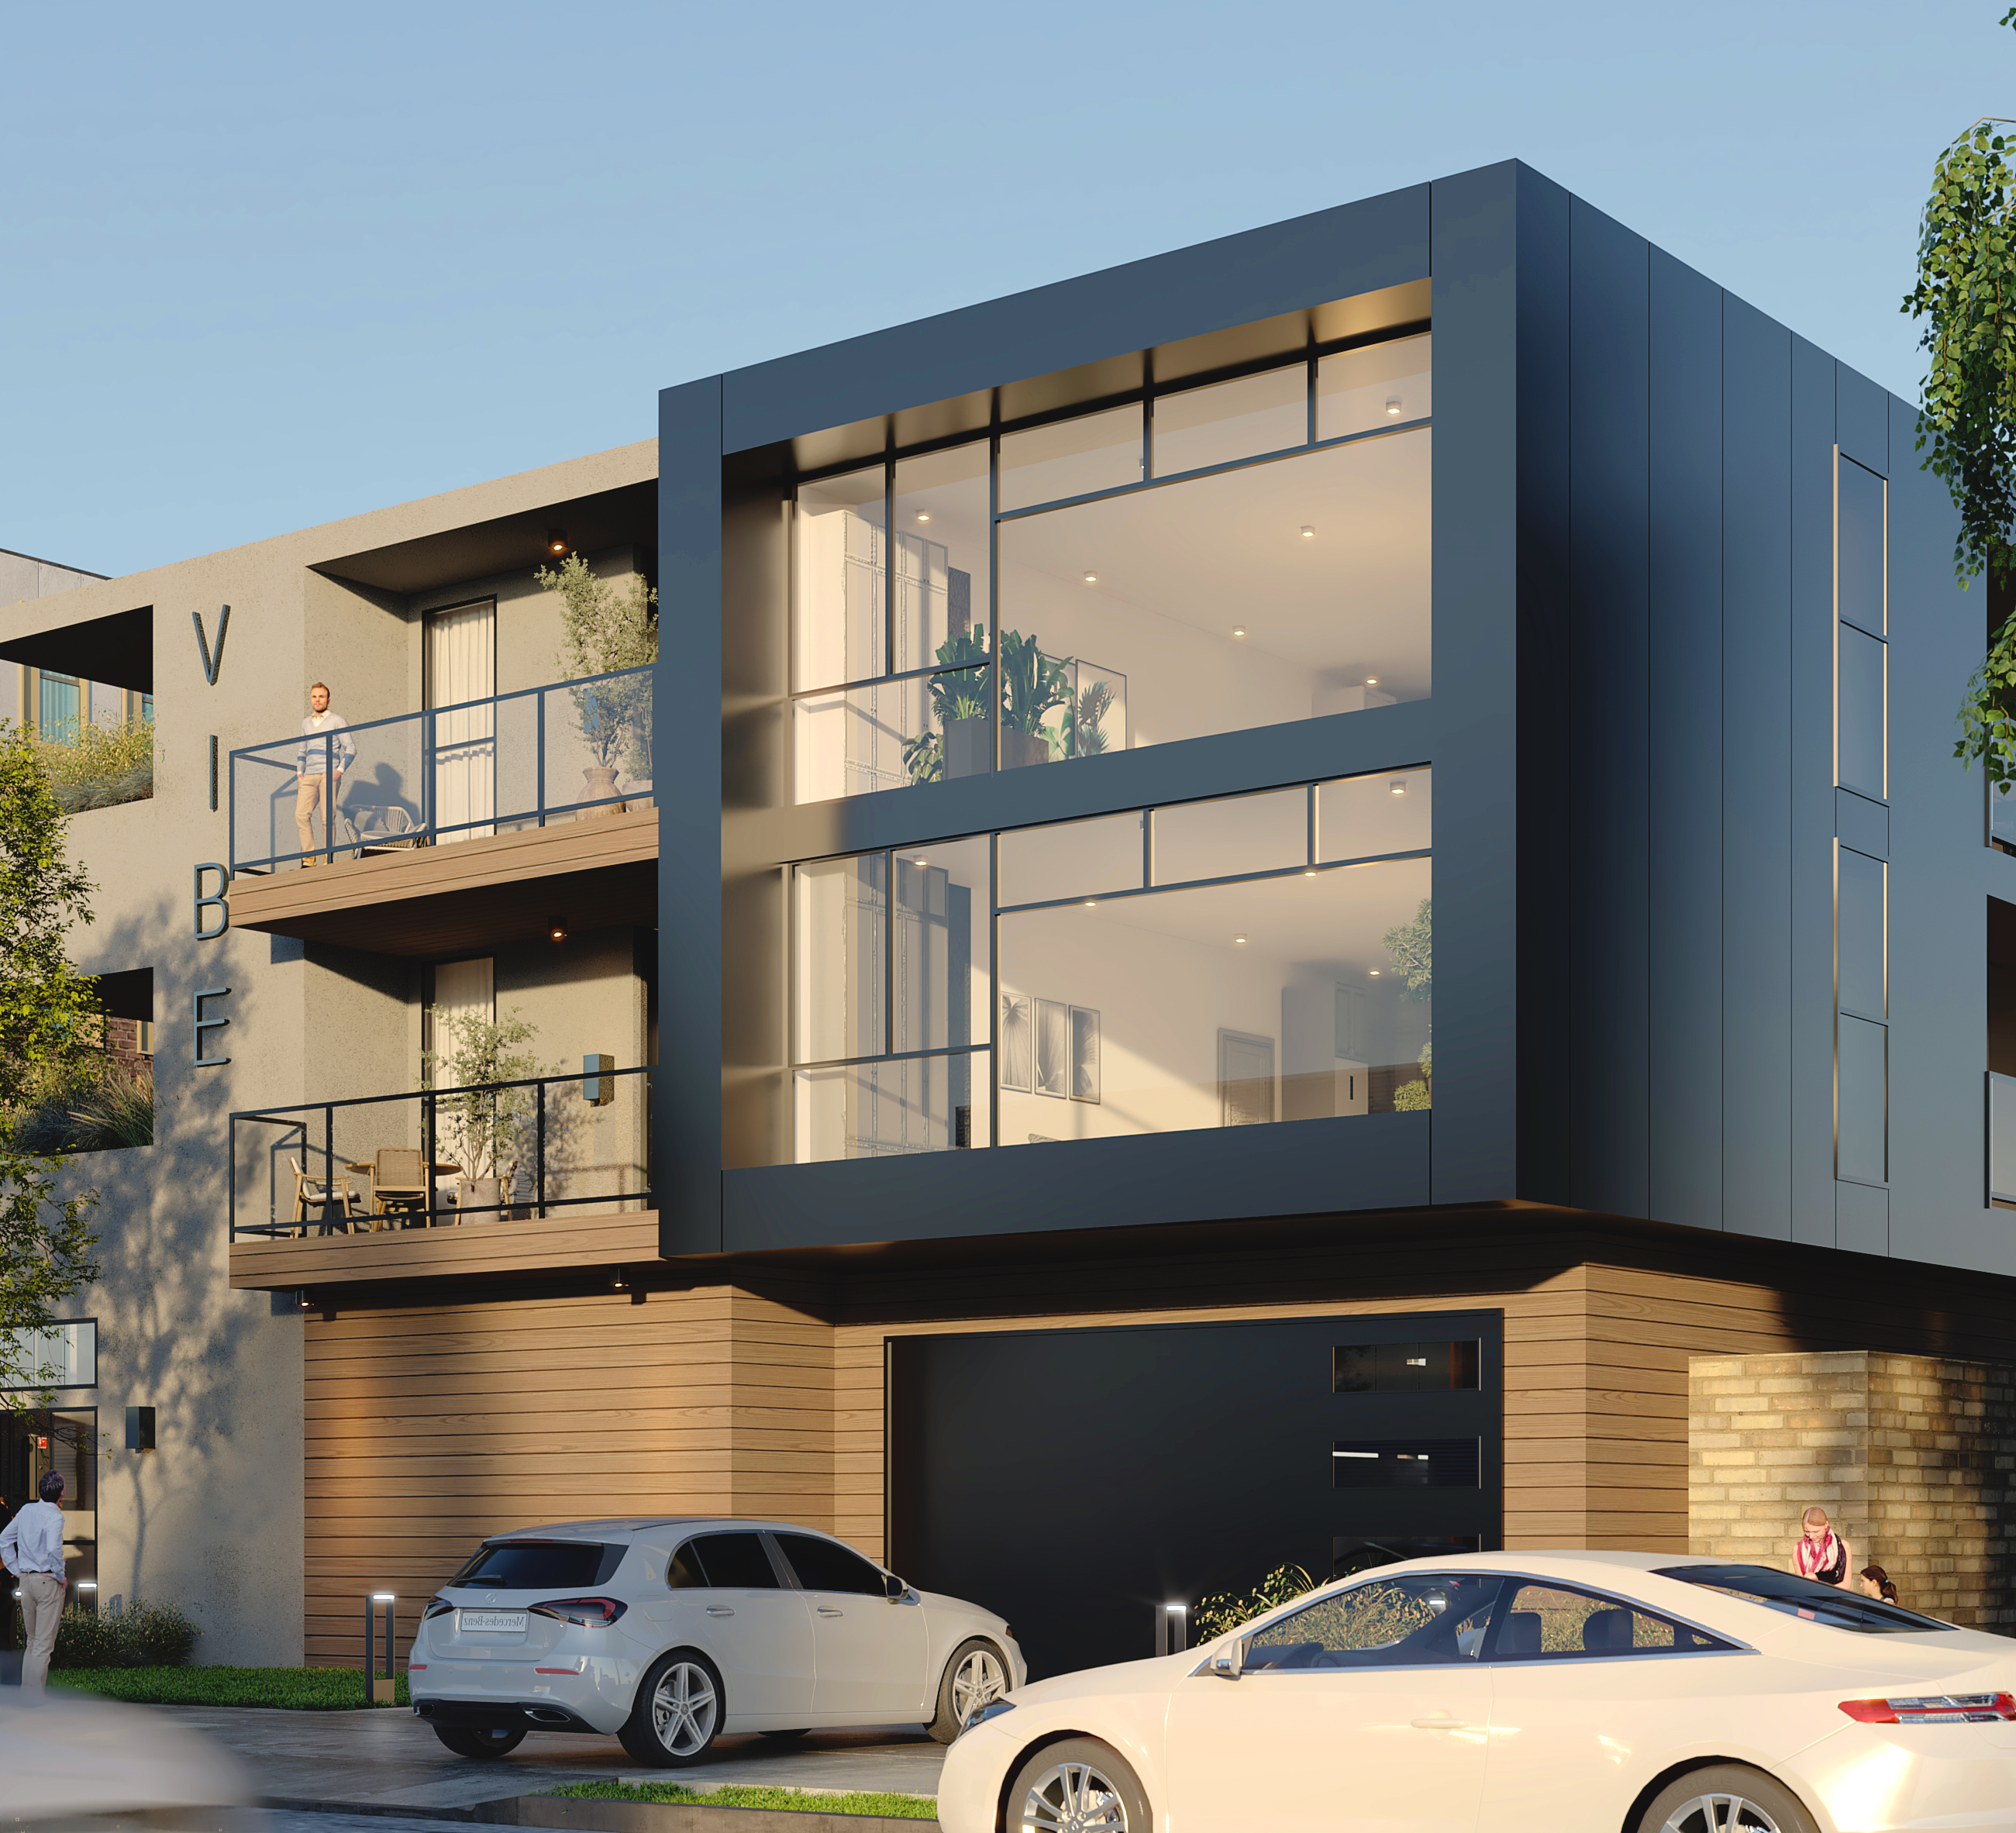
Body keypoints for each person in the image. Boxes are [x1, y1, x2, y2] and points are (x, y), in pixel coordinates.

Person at [0, 1472, 68, 1692]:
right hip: (47, 1582)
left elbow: (4, 1539)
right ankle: (34, 1697)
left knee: (32, 1641)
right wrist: (60, 1576)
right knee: (43, 1644)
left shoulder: (27, 1510)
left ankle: (27, 1695)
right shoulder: (55, 1517)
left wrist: (17, 1570)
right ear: (62, 1493)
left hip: (27, 1581)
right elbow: (53, 1550)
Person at [292, 681, 355, 865]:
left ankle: (328, 860)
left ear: (328, 699)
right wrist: (299, 772)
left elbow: (351, 748)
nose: (317, 700)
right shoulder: (306, 723)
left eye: (321, 696)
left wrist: (339, 771)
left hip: (329, 774)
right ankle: (309, 860)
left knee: (327, 817)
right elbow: (302, 750)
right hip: (308, 776)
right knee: (301, 815)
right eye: (314, 696)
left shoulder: (337, 720)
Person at [1794, 1505, 1852, 1588]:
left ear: (1826, 1524)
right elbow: (1800, 1586)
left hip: (1835, 1597)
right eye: (1807, 1531)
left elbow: (1846, 1585)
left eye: (1816, 1531)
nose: (1811, 1536)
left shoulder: (1843, 1547)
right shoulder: (1798, 1549)